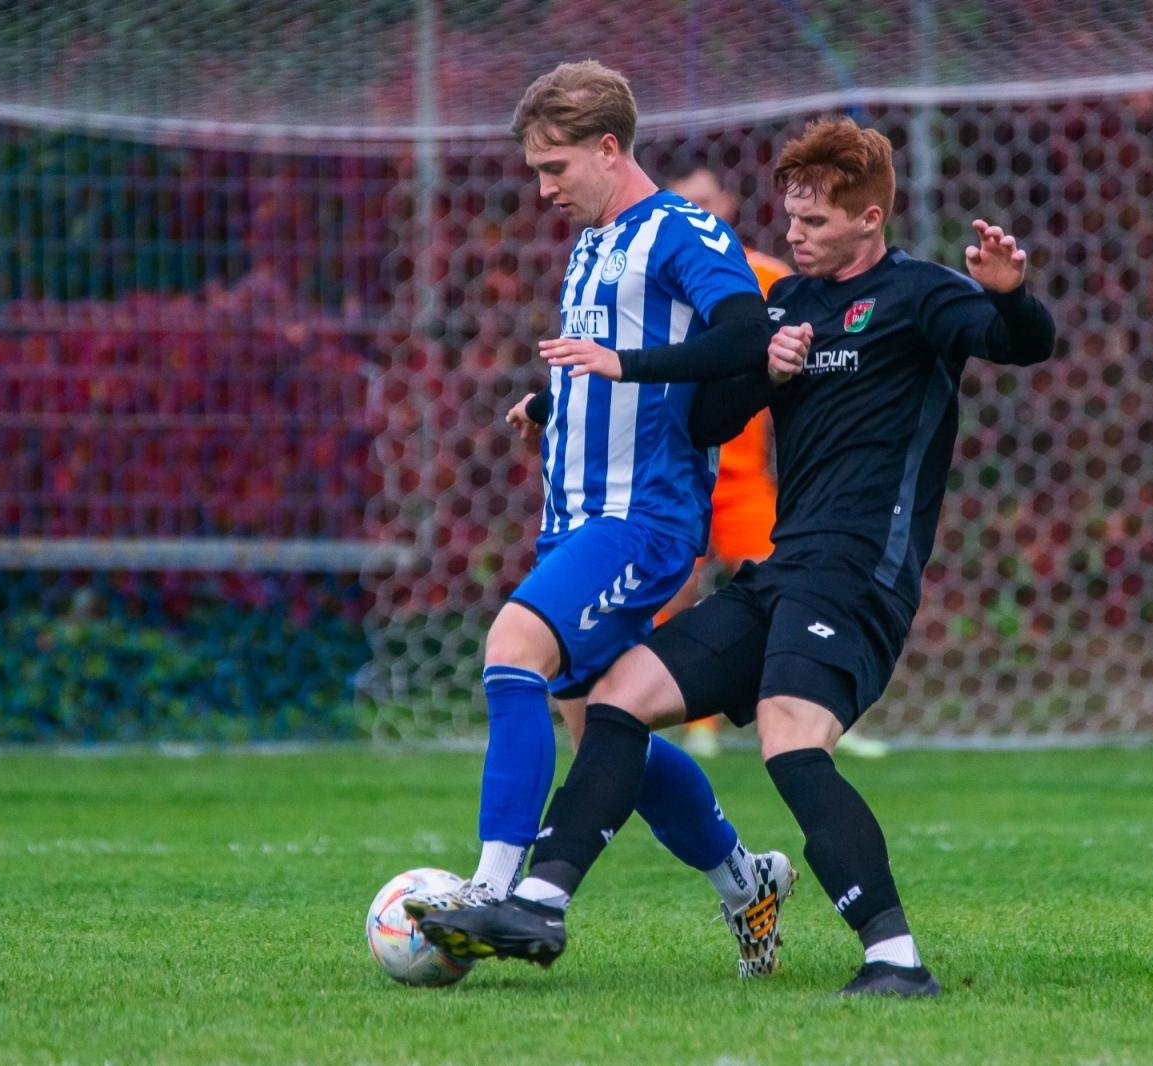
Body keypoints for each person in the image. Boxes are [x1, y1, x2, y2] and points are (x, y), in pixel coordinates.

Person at [421, 117, 1057, 997]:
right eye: (790, 218)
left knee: (792, 740)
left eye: (817, 223)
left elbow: (1026, 342)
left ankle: (895, 959)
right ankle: (537, 904)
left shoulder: (921, 295)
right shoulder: (790, 305)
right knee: (617, 701)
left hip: (860, 575)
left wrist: (1011, 293)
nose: (793, 236)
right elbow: (708, 421)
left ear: (870, 218)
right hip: (784, 567)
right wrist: (769, 372)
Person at [405, 60, 800, 978]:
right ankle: (749, 882)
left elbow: (744, 331)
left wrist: (622, 366)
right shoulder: (594, 239)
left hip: (643, 521)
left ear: (609, 147)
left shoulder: (680, 228)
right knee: (602, 728)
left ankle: (493, 886)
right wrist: (557, 407)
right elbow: (612, 370)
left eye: (555, 169)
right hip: (576, 517)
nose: (543, 190)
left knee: (512, 645)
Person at [659, 161, 790, 759]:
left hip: (742, 476)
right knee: (672, 590)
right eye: (685, 203)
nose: (700, 212)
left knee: (784, 585)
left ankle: (807, 708)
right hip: (680, 468)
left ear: (729, 204)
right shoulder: (659, 281)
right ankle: (697, 721)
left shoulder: (768, 276)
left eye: (706, 200)